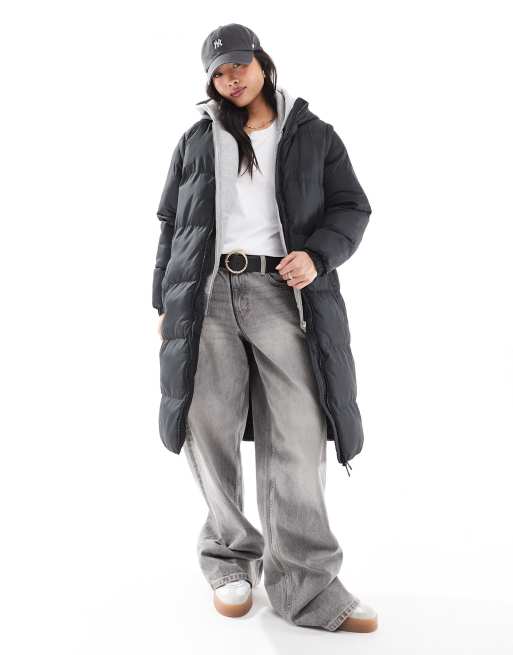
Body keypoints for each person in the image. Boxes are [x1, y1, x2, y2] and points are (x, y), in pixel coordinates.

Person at [152, 23, 377, 633]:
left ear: (262, 62)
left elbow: (351, 207)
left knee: (298, 435)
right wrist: (163, 302)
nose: (232, 79)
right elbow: (172, 223)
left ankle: (308, 587)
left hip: (283, 292)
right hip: (204, 297)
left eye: (240, 66)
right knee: (209, 427)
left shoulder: (313, 134)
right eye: (220, 73)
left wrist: (318, 255)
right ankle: (229, 559)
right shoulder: (198, 139)